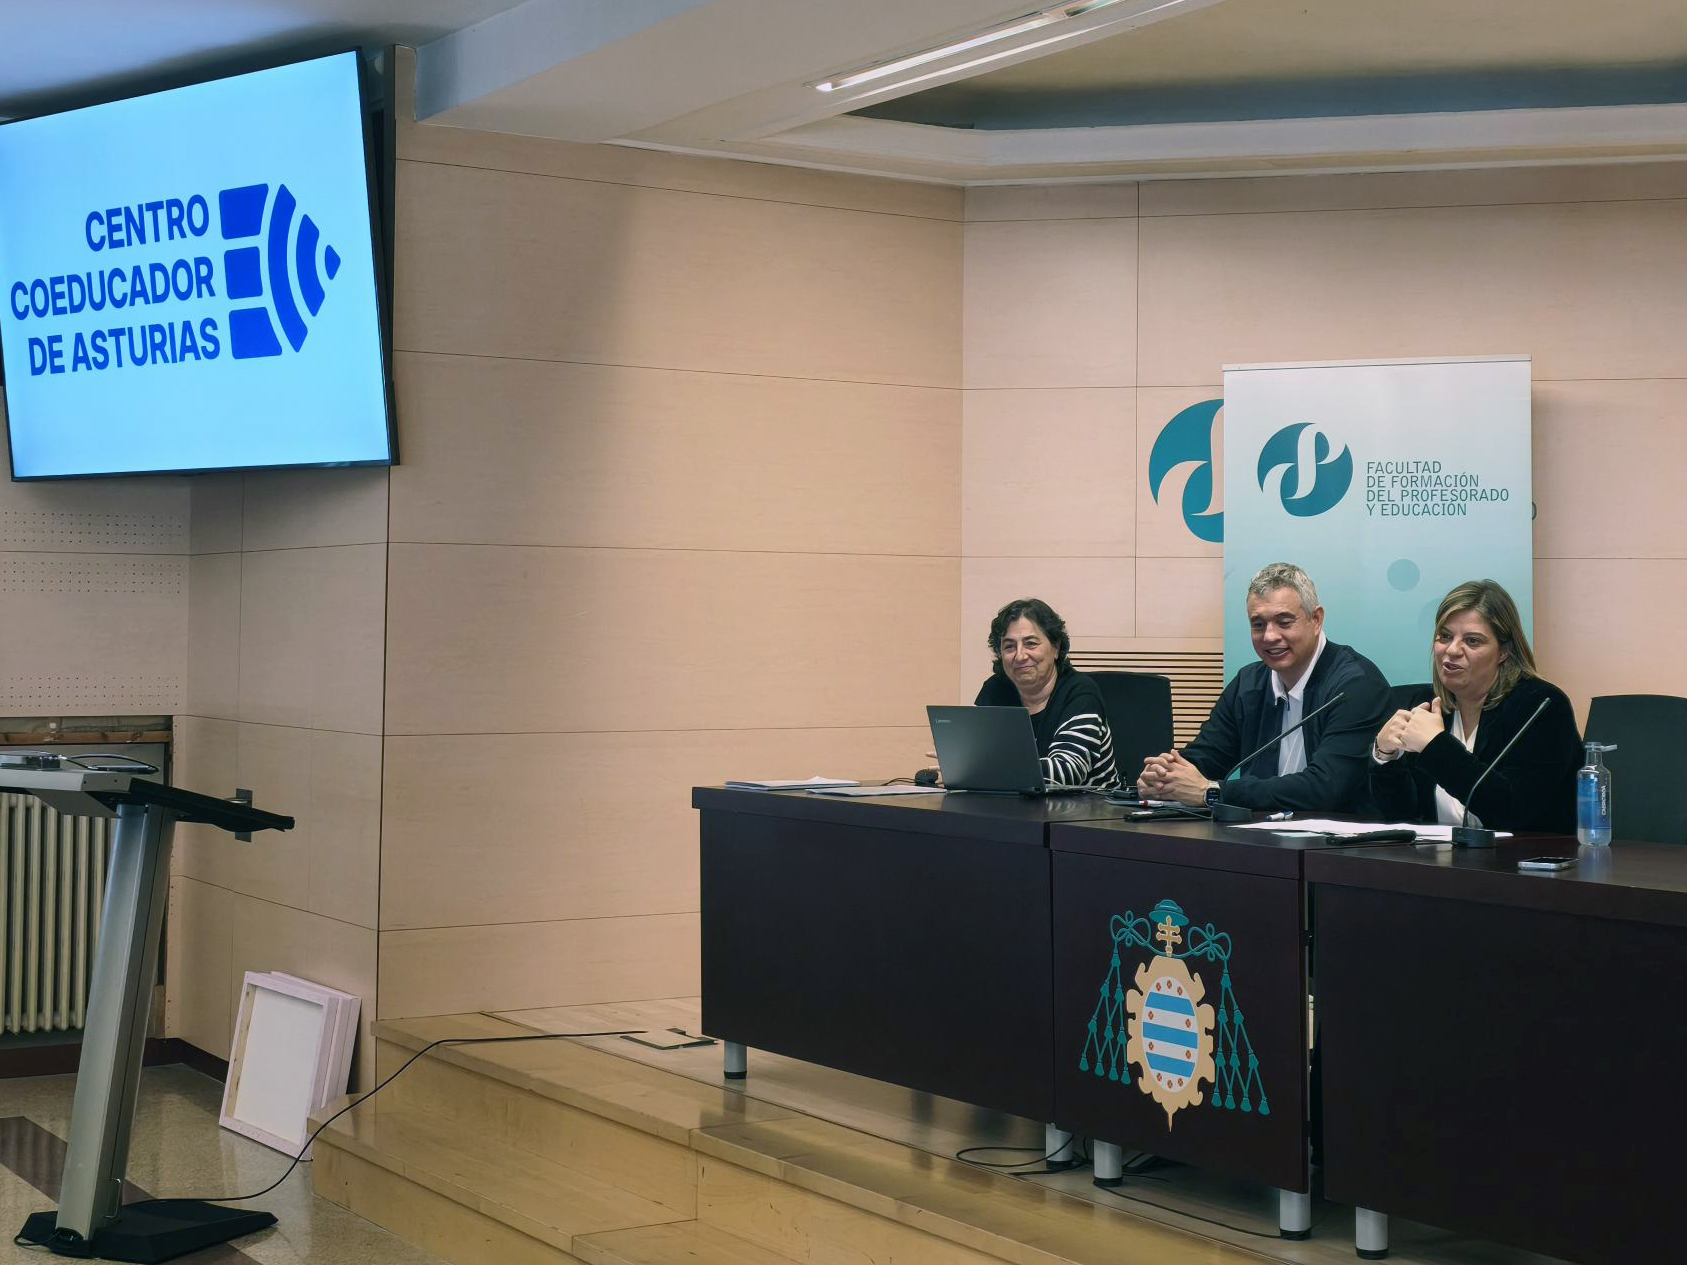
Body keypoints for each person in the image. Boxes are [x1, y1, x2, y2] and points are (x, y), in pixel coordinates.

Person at [1138, 562, 1390, 812]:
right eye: (1258, 624)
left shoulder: (1356, 685)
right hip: (1260, 831)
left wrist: (1213, 792)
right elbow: (1210, 755)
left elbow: (1326, 787)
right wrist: (1167, 775)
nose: (1269, 636)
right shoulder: (1248, 682)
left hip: (1339, 834)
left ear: (1316, 620)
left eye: (1284, 622)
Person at [1369, 579, 1580, 833]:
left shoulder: (1540, 707)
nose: (1452, 650)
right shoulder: (1426, 705)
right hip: (1438, 856)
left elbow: (1513, 813)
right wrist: (1385, 757)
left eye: (1472, 641)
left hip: (1524, 856)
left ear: (1504, 651)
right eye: (1445, 636)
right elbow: (1402, 818)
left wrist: (1435, 745)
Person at [974, 598, 1119, 789]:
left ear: (1056, 647)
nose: (1020, 656)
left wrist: (984, 768)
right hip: (1013, 804)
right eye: (1009, 646)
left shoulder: (1080, 693)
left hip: (1086, 806)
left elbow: (1066, 773)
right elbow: (977, 755)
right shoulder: (995, 689)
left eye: (1031, 644)